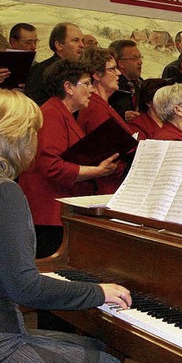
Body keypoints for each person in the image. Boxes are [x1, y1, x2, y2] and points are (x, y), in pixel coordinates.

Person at [0, 88, 131, 363]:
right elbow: (24, 288)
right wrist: (97, 292)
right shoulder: (3, 192)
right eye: (33, 132)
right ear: (16, 138)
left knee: (93, 347)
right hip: (1, 346)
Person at [18, 60, 120, 258]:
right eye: (86, 83)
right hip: (49, 213)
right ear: (68, 87)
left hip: (56, 210)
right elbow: (53, 167)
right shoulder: (51, 114)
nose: (91, 89)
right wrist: (97, 171)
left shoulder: (62, 113)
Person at [78, 48, 132, 194]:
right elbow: (104, 154)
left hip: (112, 183)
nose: (119, 73)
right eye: (112, 69)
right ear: (96, 74)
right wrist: (130, 170)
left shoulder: (103, 105)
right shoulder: (95, 108)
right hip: (105, 186)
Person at [25, 22, 84, 106]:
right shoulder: (43, 70)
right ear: (59, 45)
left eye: (82, 41)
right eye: (75, 40)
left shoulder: (79, 70)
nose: (82, 45)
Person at [108, 39, 144, 122]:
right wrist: (121, 115)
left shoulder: (140, 83)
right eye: (135, 58)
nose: (140, 62)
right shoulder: (111, 86)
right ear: (121, 63)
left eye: (140, 57)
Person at [0, 23, 39, 88]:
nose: (34, 47)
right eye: (28, 43)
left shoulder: (38, 67)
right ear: (13, 42)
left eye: (35, 42)